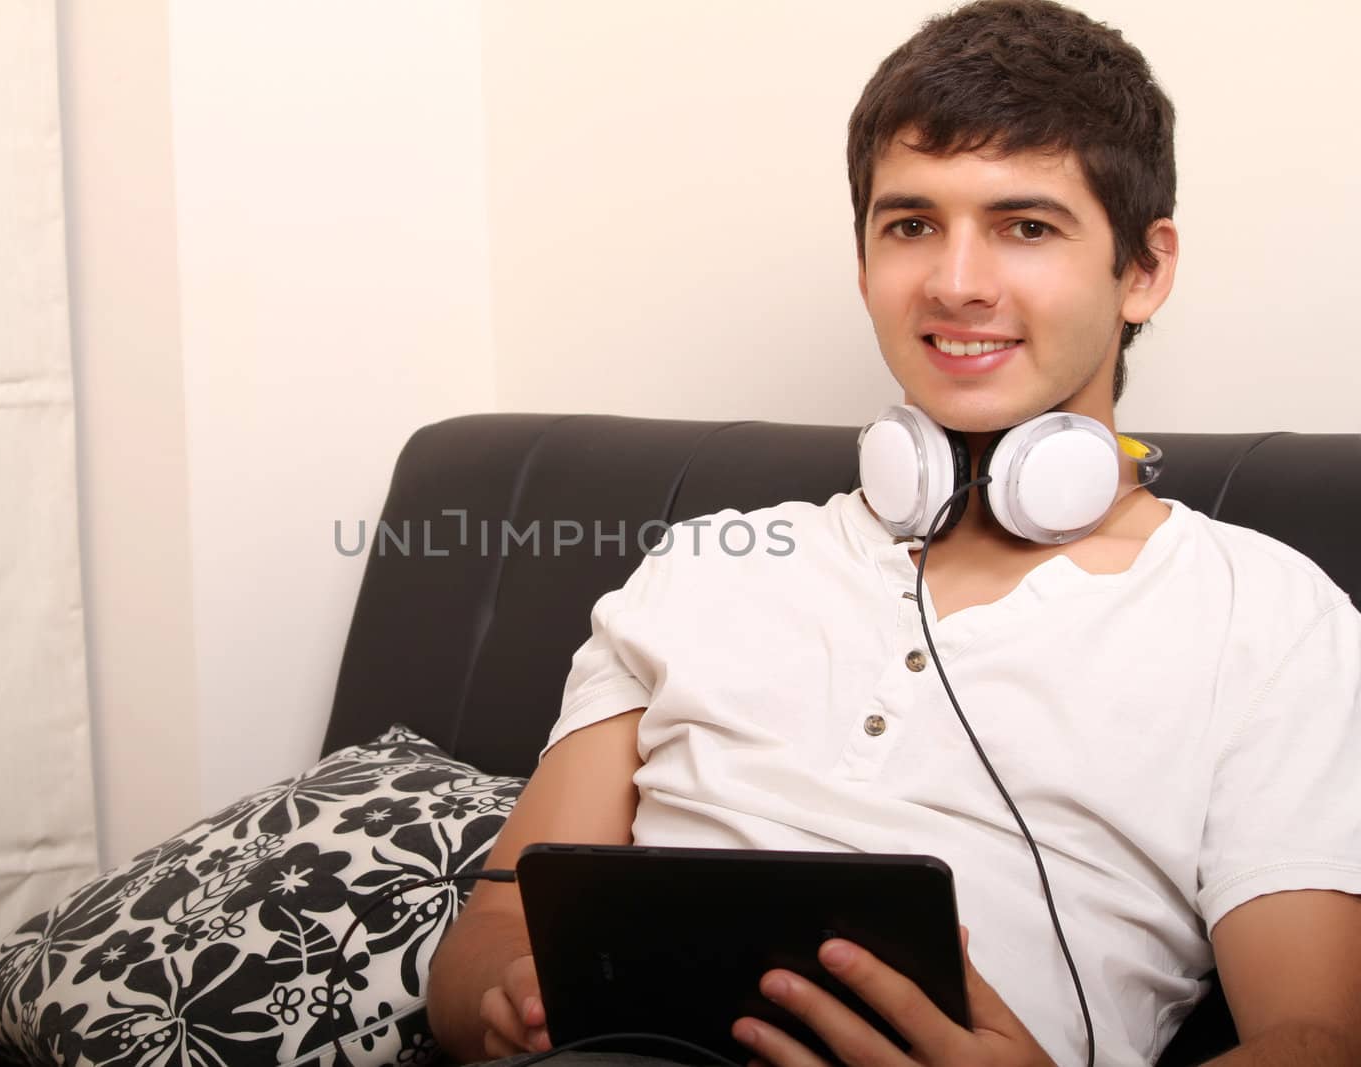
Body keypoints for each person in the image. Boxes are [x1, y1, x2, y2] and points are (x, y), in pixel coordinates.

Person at [425, 1, 1361, 1063]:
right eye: (910, 224)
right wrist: (497, 998)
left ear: (1142, 269)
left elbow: (1315, 1036)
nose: (955, 282)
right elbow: (497, 920)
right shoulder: (704, 562)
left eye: (1026, 225)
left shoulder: (1266, 612)